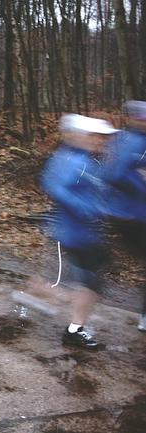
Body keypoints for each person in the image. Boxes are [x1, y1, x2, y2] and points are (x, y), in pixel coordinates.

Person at [41, 114, 118, 349]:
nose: (101, 141)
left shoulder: (86, 160)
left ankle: (69, 320)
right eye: (97, 136)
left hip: (86, 234)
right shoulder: (71, 160)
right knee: (87, 284)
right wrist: (85, 209)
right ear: (82, 136)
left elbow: (97, 189)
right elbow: (55, 187)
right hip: (73, 233)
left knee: (91, 282)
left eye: (103, 138)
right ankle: (72, 327)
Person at [103, 101, 146, 332]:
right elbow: (115, 174)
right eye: (142, 119)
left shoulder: (134, 140)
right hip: (130, 215)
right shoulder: (130, 141)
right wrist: (141, 182)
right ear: (135, 119)